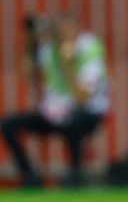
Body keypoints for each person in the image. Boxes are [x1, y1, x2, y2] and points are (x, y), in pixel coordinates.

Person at [1, 12, 109, 187]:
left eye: (68, 30)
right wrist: (31, 41)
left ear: (78, 30)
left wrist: (69, 65)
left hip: (88, 111)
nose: (63, 35)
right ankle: (29, 174)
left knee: (74, 118)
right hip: (55, 111)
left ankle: (75, 175)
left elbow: (82, 98)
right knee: (7, 125)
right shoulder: (49, 49)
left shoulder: (90, 49)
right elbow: (27, 74)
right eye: (60, 31)